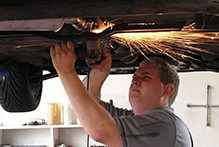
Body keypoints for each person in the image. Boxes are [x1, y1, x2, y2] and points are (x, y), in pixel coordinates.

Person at [50, 41, 193, 147]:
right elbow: (87, 108)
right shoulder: (136, 119)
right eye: (134, 77)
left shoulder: (165, 124)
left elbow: (100, 130)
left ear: (167, 90)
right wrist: (99, 73)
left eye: (145, 77)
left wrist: (66, 72)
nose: (135, 81)